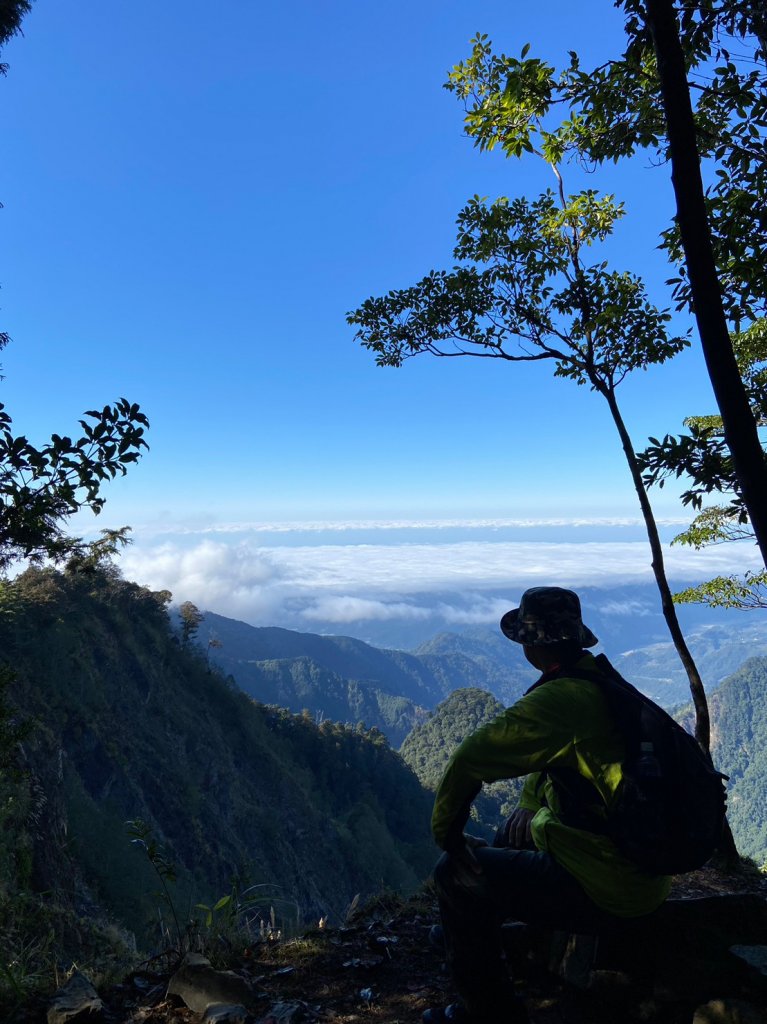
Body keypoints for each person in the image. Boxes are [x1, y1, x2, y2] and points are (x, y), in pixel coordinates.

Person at [423, 586, 671, 1024]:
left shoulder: (557, 699)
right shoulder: (600, 681)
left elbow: (467, 761)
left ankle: (487, 1012)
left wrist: (449, 837)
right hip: (638, 872)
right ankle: (480, 935)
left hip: (604, 887)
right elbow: (567, 757)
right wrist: (528, 799)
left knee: (453, 875)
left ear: (531, 645)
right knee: (509, 834)